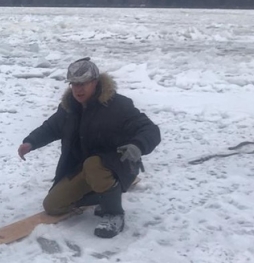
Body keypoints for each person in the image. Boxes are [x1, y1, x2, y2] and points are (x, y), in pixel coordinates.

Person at [17, 57, 161, 238]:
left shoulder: (118, 105)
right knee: (53, 206)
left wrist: (138, 145)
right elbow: (52, 127)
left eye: (83, 84)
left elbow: (150, 129)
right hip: (83, 169)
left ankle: (114, 213)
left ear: (95, 82)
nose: (78, 89)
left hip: (118, 165)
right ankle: (106, 194)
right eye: (74, 84)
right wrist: (31, 142)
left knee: (94, 164)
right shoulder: (69, 107)